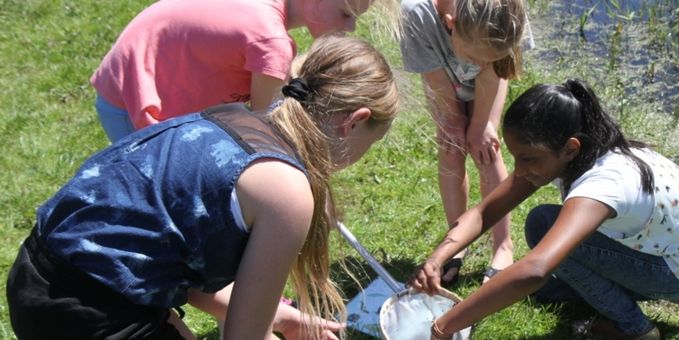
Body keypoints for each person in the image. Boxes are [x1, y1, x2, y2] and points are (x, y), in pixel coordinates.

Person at [7, 35, 399, 340]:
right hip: (89, 311)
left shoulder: (231, 120)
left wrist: (278, 317)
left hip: (37, 276)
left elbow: (169, 263)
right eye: (371, 142)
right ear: (352, 122)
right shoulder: (287, 190)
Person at [410, 79, 679, 339]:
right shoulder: (588, 149)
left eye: (528, 158)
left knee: (549, 237)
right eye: (515, 157)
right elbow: (483, 212)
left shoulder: (603, 185)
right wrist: (439, 258)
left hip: (676, 268)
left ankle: (635, 328)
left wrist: (444, 326)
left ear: (571, 148)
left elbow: (535, 269)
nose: (519, 170)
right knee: (543, 233)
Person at [90, 0, 385, 143]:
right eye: (346, 14)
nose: (350, 27)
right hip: (135, 100)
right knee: (164, 195)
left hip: (131, 78)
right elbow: (265, 131)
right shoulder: (271, 41)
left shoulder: (266, 16)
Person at [400, 0, 534, 285]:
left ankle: (503, 246)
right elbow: (435, 77)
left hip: (491, 81)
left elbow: (492, 69)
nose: (479, 64)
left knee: (486, 148)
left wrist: (480, 125)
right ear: (451, 24)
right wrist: (453, 124)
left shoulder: (502, 15)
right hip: (442, 80)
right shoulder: (417, 15)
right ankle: (456, 244)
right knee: (451, 149)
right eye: (475, 56)